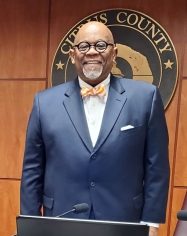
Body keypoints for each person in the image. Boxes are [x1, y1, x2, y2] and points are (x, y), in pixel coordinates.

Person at [20, 21, 169, 236]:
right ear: (72, 55)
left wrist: (151, 222)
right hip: (61, 220)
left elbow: (157, 167)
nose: (92, 52)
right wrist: (31, 224)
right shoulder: (44, 102)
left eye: (101, 45)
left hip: (124, 221)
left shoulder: (146, 97)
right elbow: (32, 170)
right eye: (83, 46)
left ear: (114, 52)